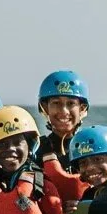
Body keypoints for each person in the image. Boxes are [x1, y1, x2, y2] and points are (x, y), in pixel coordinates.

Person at [35, 70, 92, 206]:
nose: (64, 111)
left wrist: (82, 207)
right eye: (56, 103)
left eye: (71, 103)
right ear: (45, 108)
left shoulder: (94, 147)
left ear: (82, 109)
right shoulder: (35, 149)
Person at [65, 125, 107, 202]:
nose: (90, 167)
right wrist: (79, 211)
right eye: (83, 163)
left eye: (98, 159)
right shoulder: (89, 194)